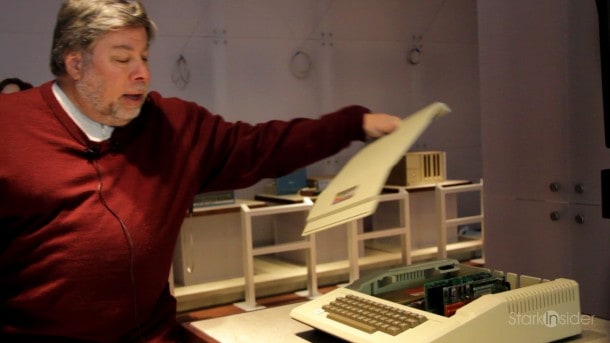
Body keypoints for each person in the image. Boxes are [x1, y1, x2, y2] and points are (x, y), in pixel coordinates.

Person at [0, 0, 401, 342]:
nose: (142, 72)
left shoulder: (171, 126)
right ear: (75, 63)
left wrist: (353, 125)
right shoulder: (9, 129)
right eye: (122, 58)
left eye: (143, 57)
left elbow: (261, 146)